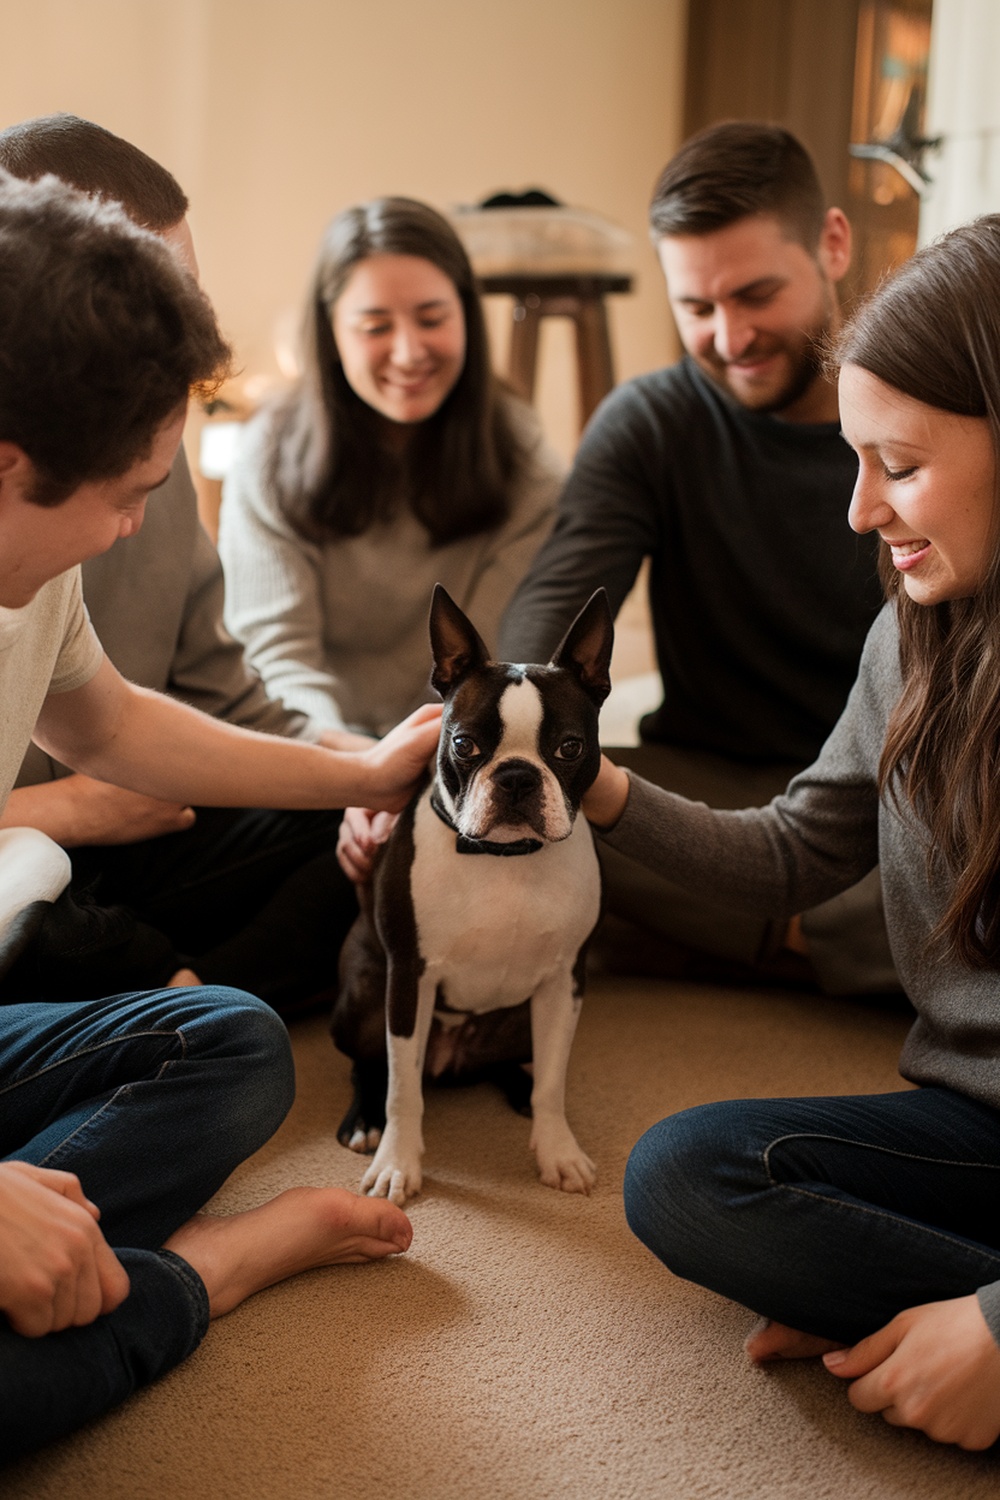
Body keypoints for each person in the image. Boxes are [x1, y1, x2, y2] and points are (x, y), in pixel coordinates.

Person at [0, 169, 437, 1458]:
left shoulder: (29, 577)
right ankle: (202, 1272)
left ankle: (71, 1253)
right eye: (127, 493)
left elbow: (122, 726)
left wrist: (359, 774)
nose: (141, 521)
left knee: (235, 1041)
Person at [580, 214, 1000, 1451]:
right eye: (854, 462)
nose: (863, 509)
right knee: (683, 1172)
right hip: (976, 1127)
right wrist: (589, 787)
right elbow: (788, 853)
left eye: (902, 466)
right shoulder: (910, 638)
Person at [498, 122, 892, 996]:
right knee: (543, 792)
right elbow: (548, 629)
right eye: (697, 308)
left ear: (832, 243)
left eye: (757, 294)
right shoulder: (648, 423)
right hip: (708, 779)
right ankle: (834, 943)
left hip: (887, 796)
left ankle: (742, 933)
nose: (731, 335)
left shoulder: (921, 411)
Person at [0, 114, 368, 1013]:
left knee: (356, 842)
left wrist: (368, 774)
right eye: (148, 297)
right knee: (48, 900)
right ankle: (165, 1010)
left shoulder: (136, 475)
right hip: (33, 868)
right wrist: (68, 811)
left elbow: (137, 721)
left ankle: (180, 1010)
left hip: (132, 833)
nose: (180, 337)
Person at [218, 195, 562, 740]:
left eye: (432, 319)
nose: (407, 352)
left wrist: (418, 763)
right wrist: (355, 767)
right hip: (309, 745)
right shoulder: (267, 455)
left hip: (458, 748)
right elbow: (275, 660)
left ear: (467, 316)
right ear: (331, 333)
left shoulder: (525, 460)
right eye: (375, 326)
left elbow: (497, 665)